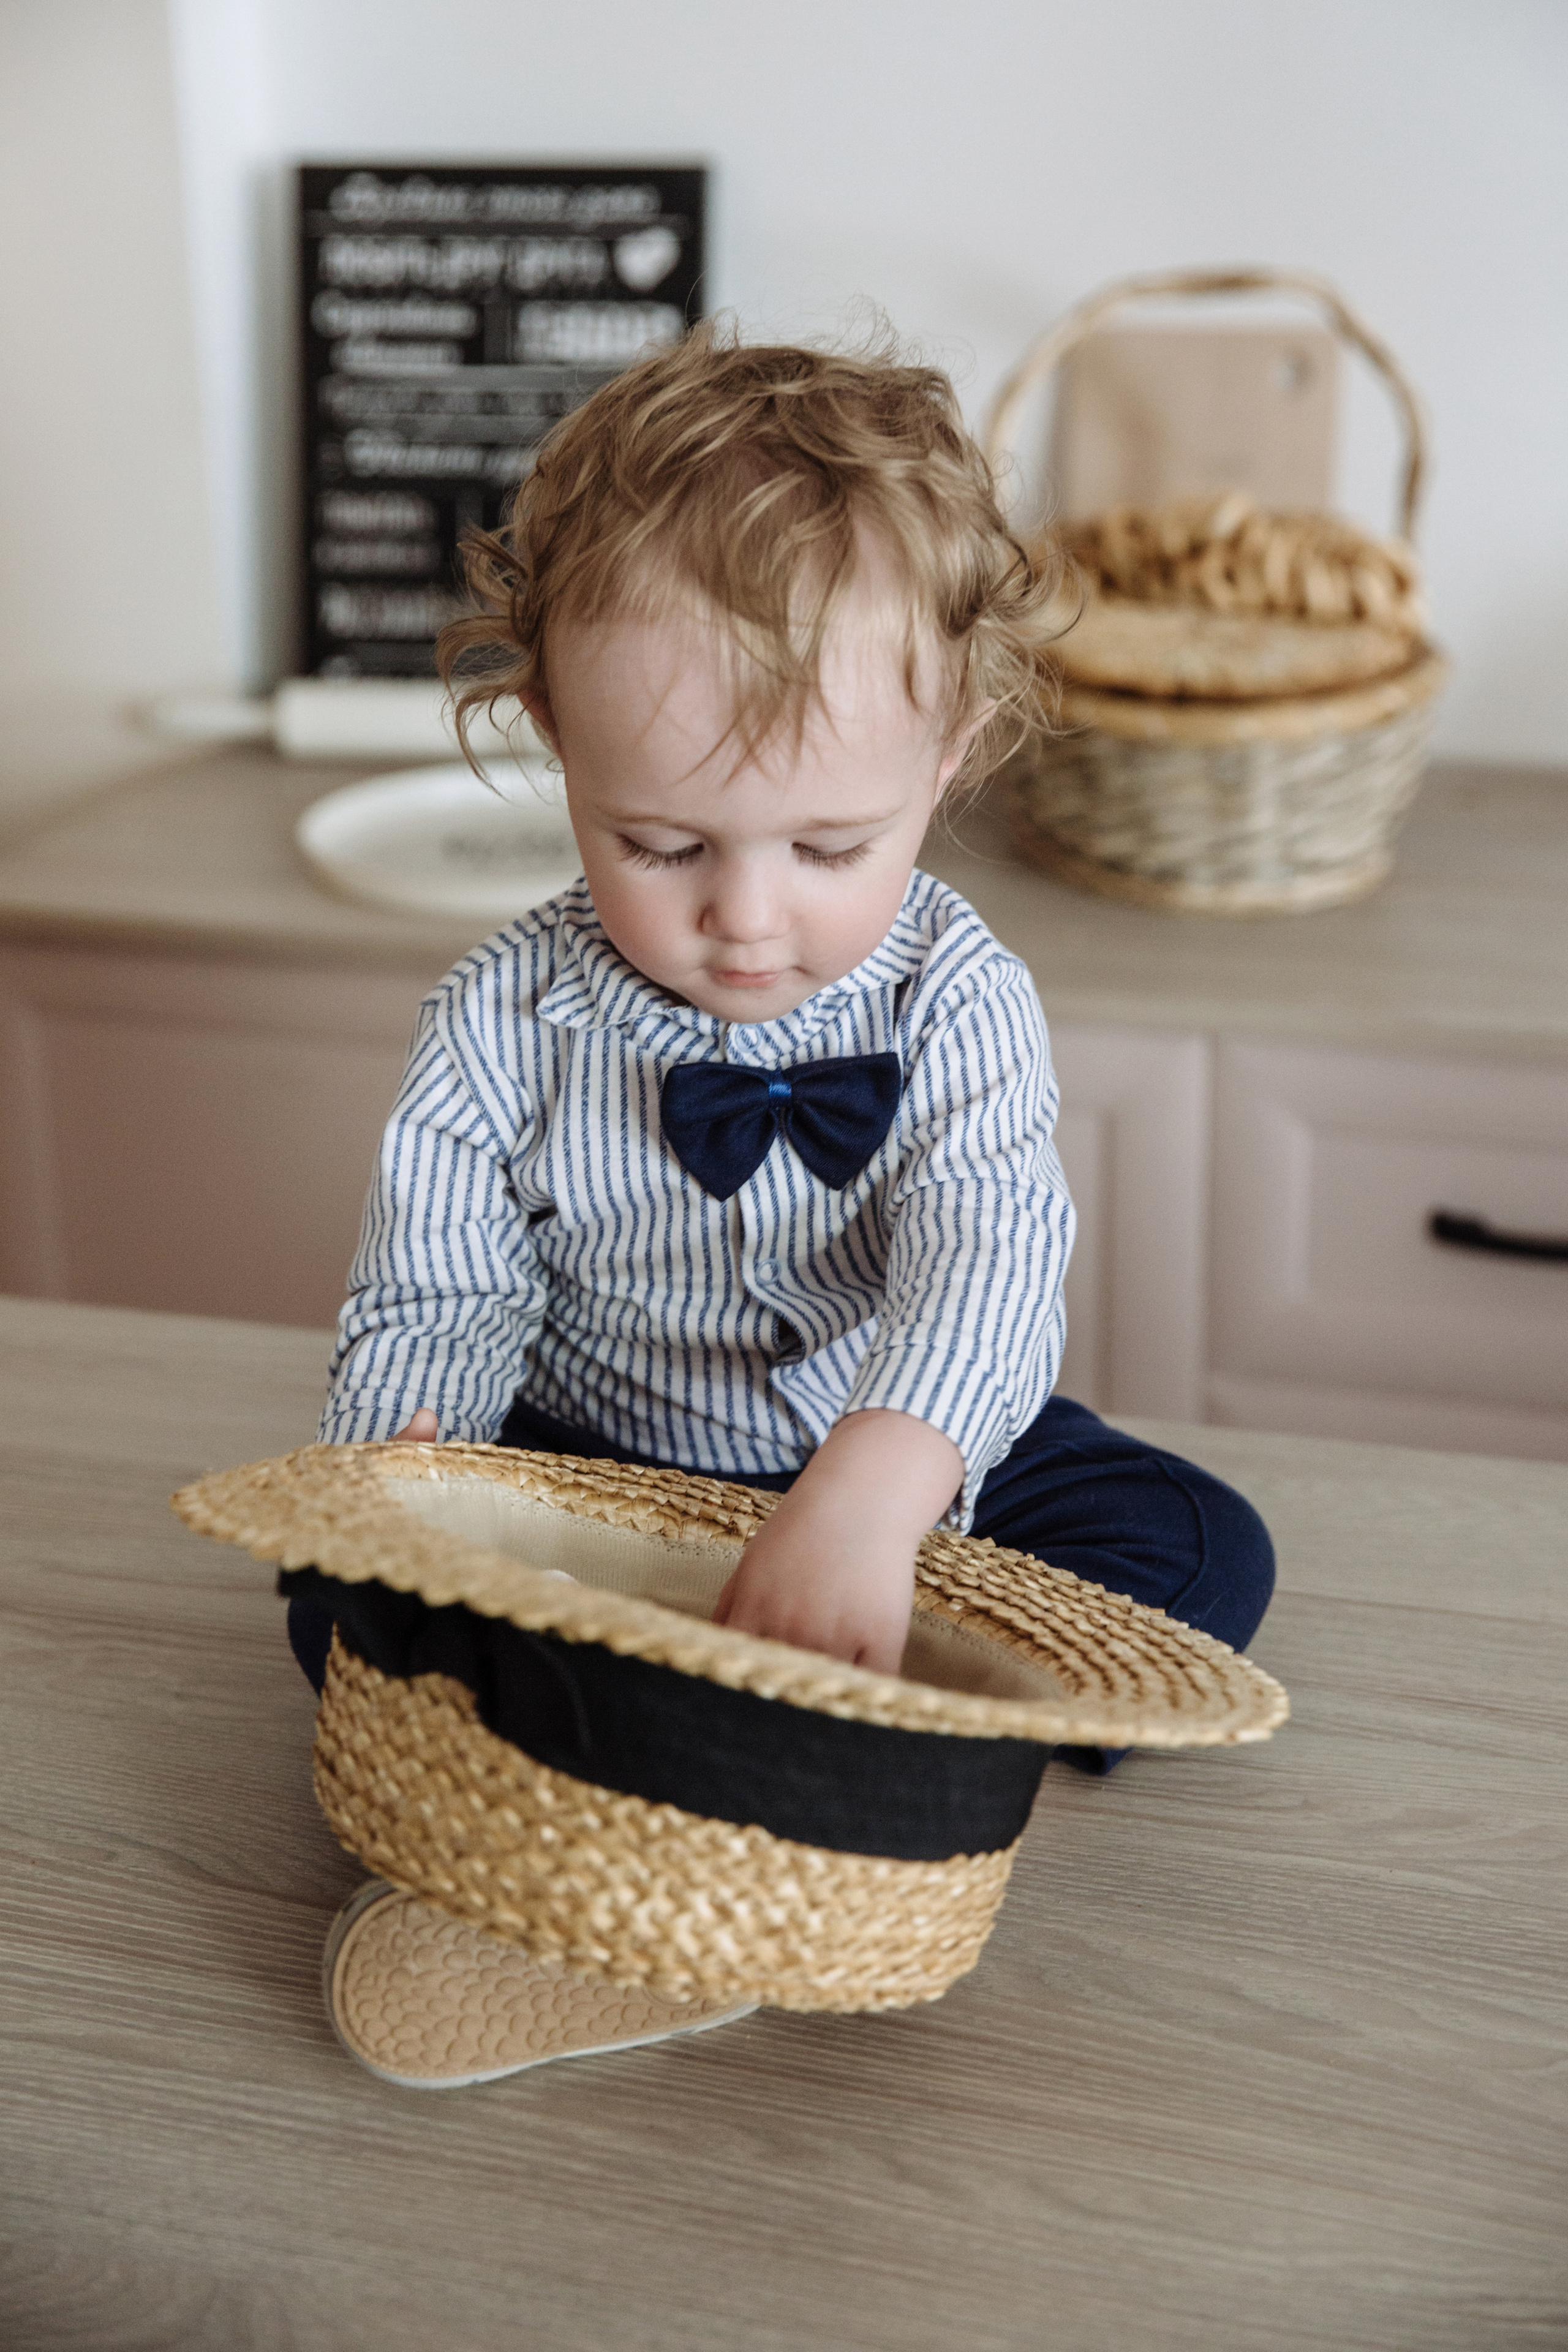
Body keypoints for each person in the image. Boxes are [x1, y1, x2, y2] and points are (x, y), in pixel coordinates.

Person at [293, 322, 1275, 1757]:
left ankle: (743, 1684)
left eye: (828, 847)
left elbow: (984, 1257)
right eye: (662, 842)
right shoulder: (497, 1017)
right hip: (595, 1461)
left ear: (946, 757)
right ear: (555, 733)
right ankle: (796, 1721)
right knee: (336, 1598)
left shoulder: (956, 993)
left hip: (881, 1441)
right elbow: (437, 1298)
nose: (745, 919)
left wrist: (875, 1488)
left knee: (1199, 1549)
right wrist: (410, 1458)